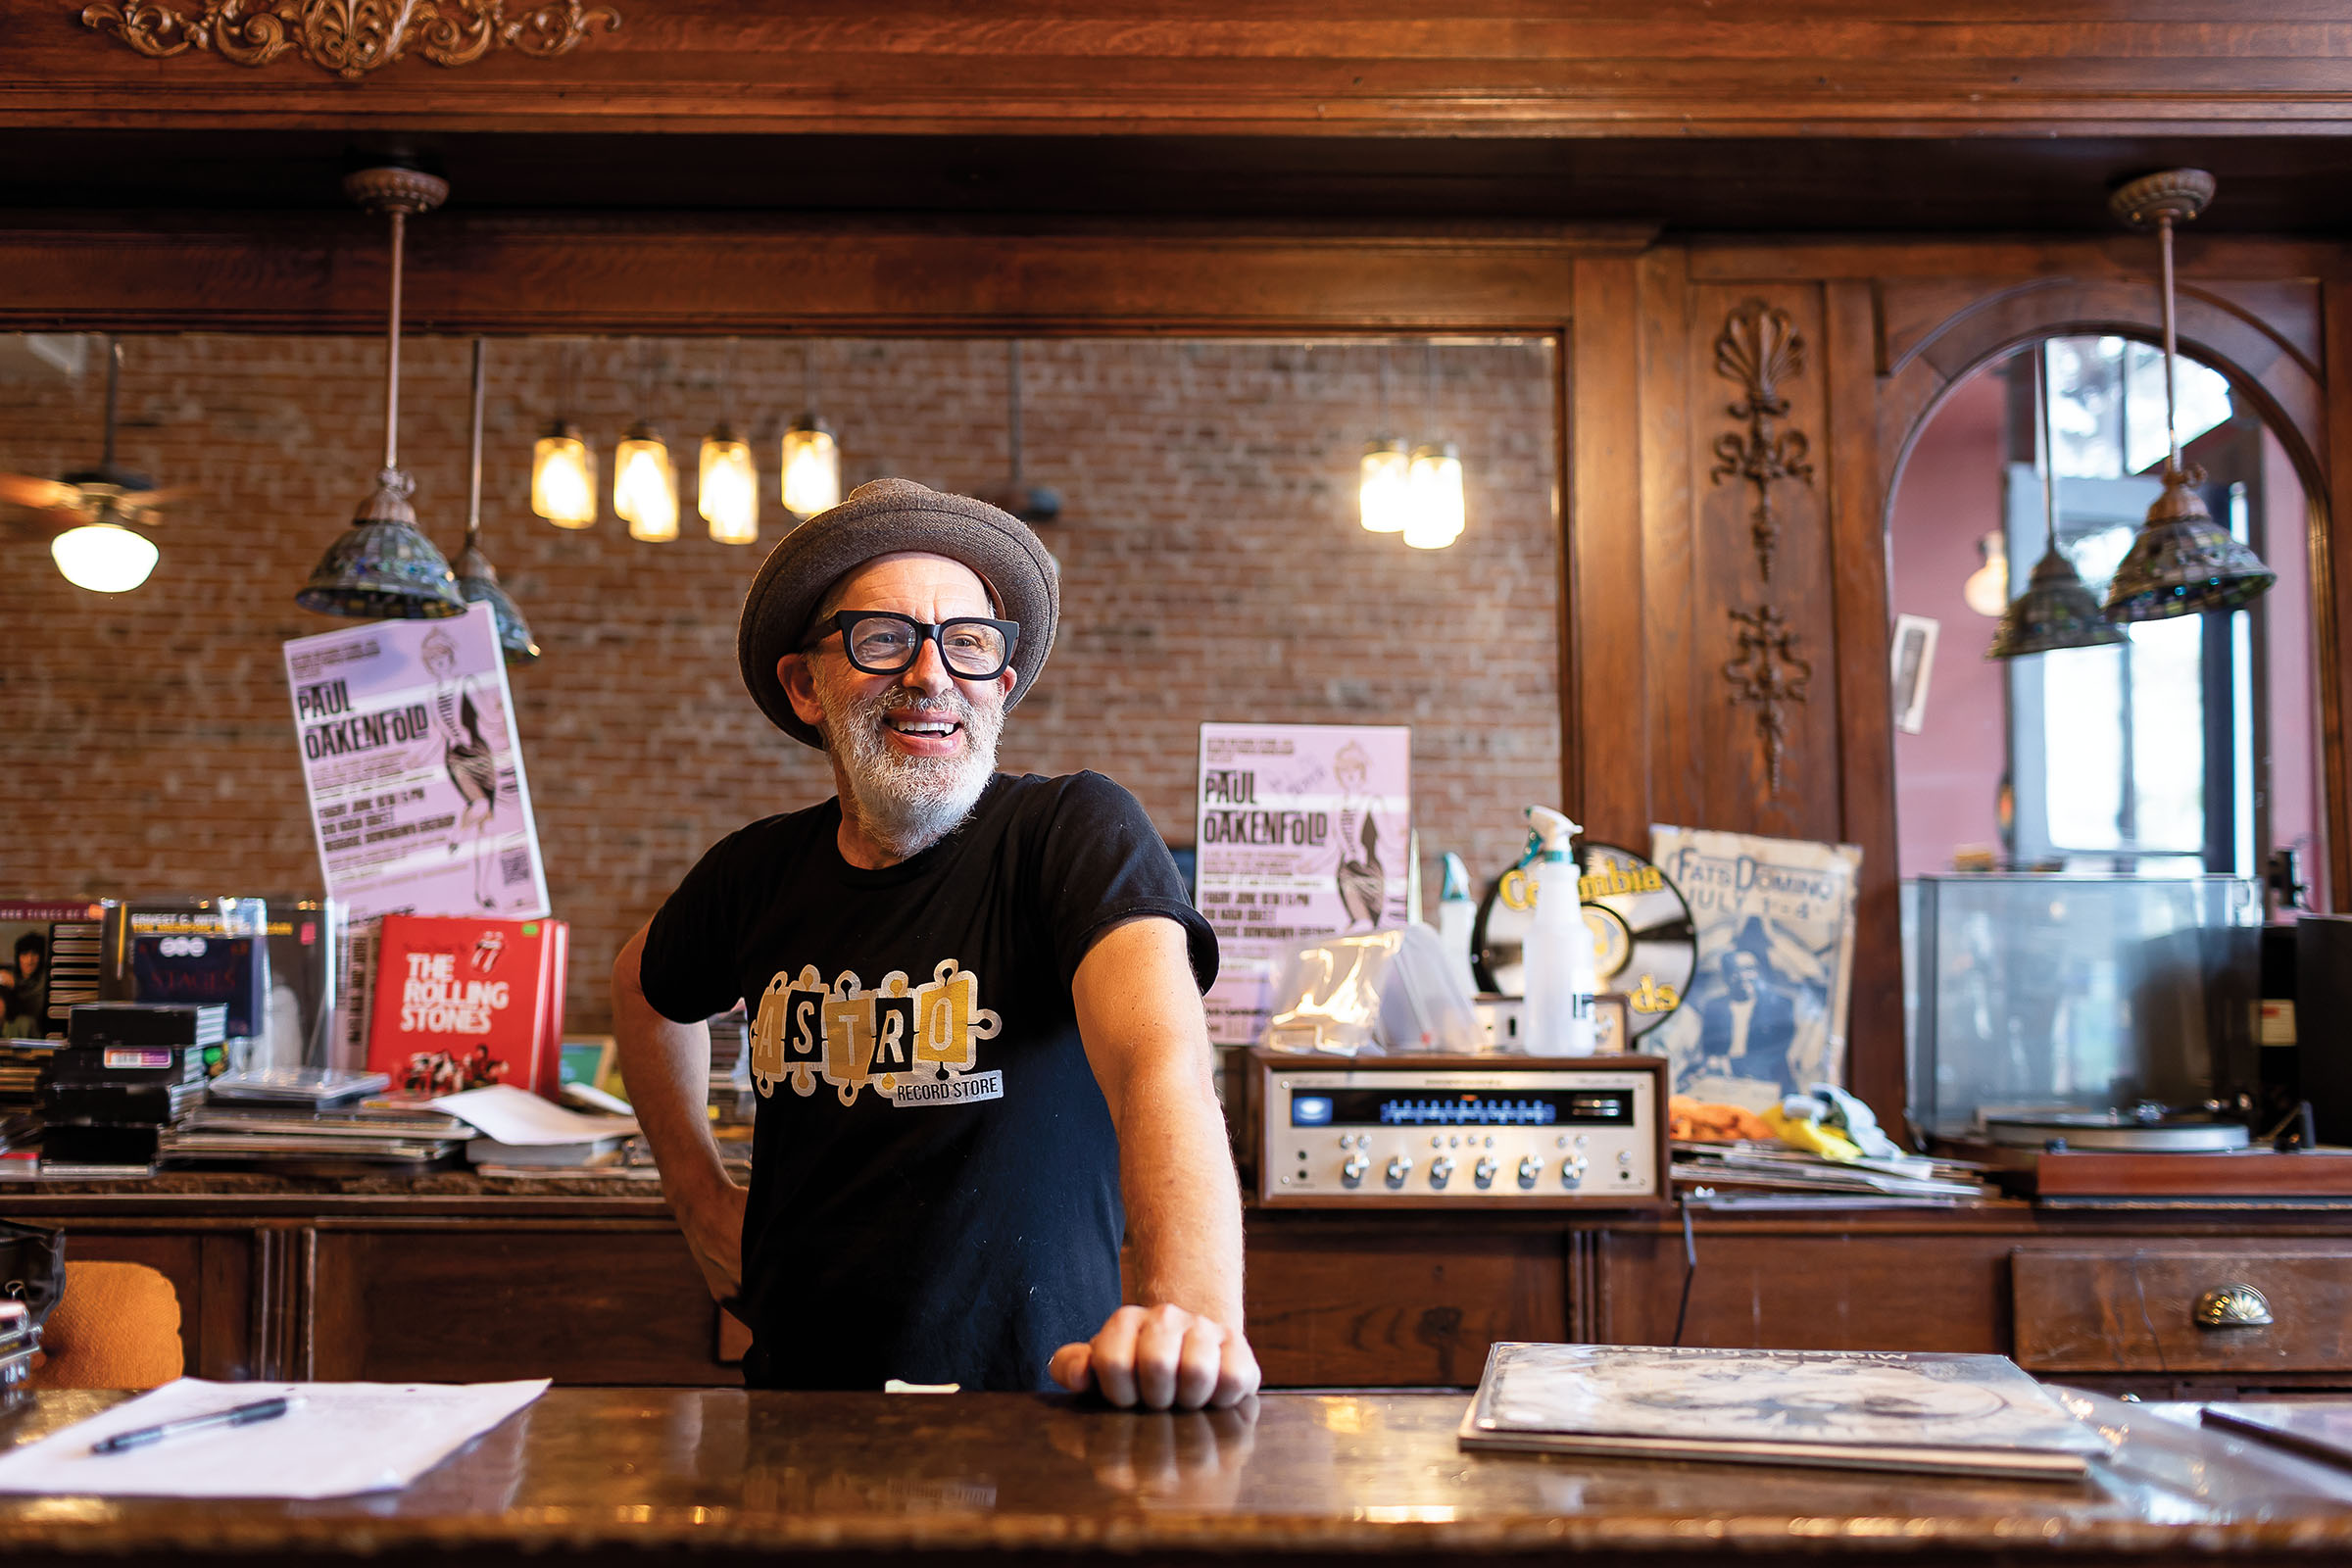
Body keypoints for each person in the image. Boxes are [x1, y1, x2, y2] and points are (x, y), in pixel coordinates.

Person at [612, 478, 1255, 1410]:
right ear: (805, 686)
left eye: (968, 642)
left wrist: (1189, 1317)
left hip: (1038, 1414)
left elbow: (1161, 1061)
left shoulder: (1071, 831)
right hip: (800, 1414)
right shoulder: (755, 874)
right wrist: (698, 1197)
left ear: (999, 683)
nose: (930, 675)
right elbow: (643, 983)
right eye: (883, 639)